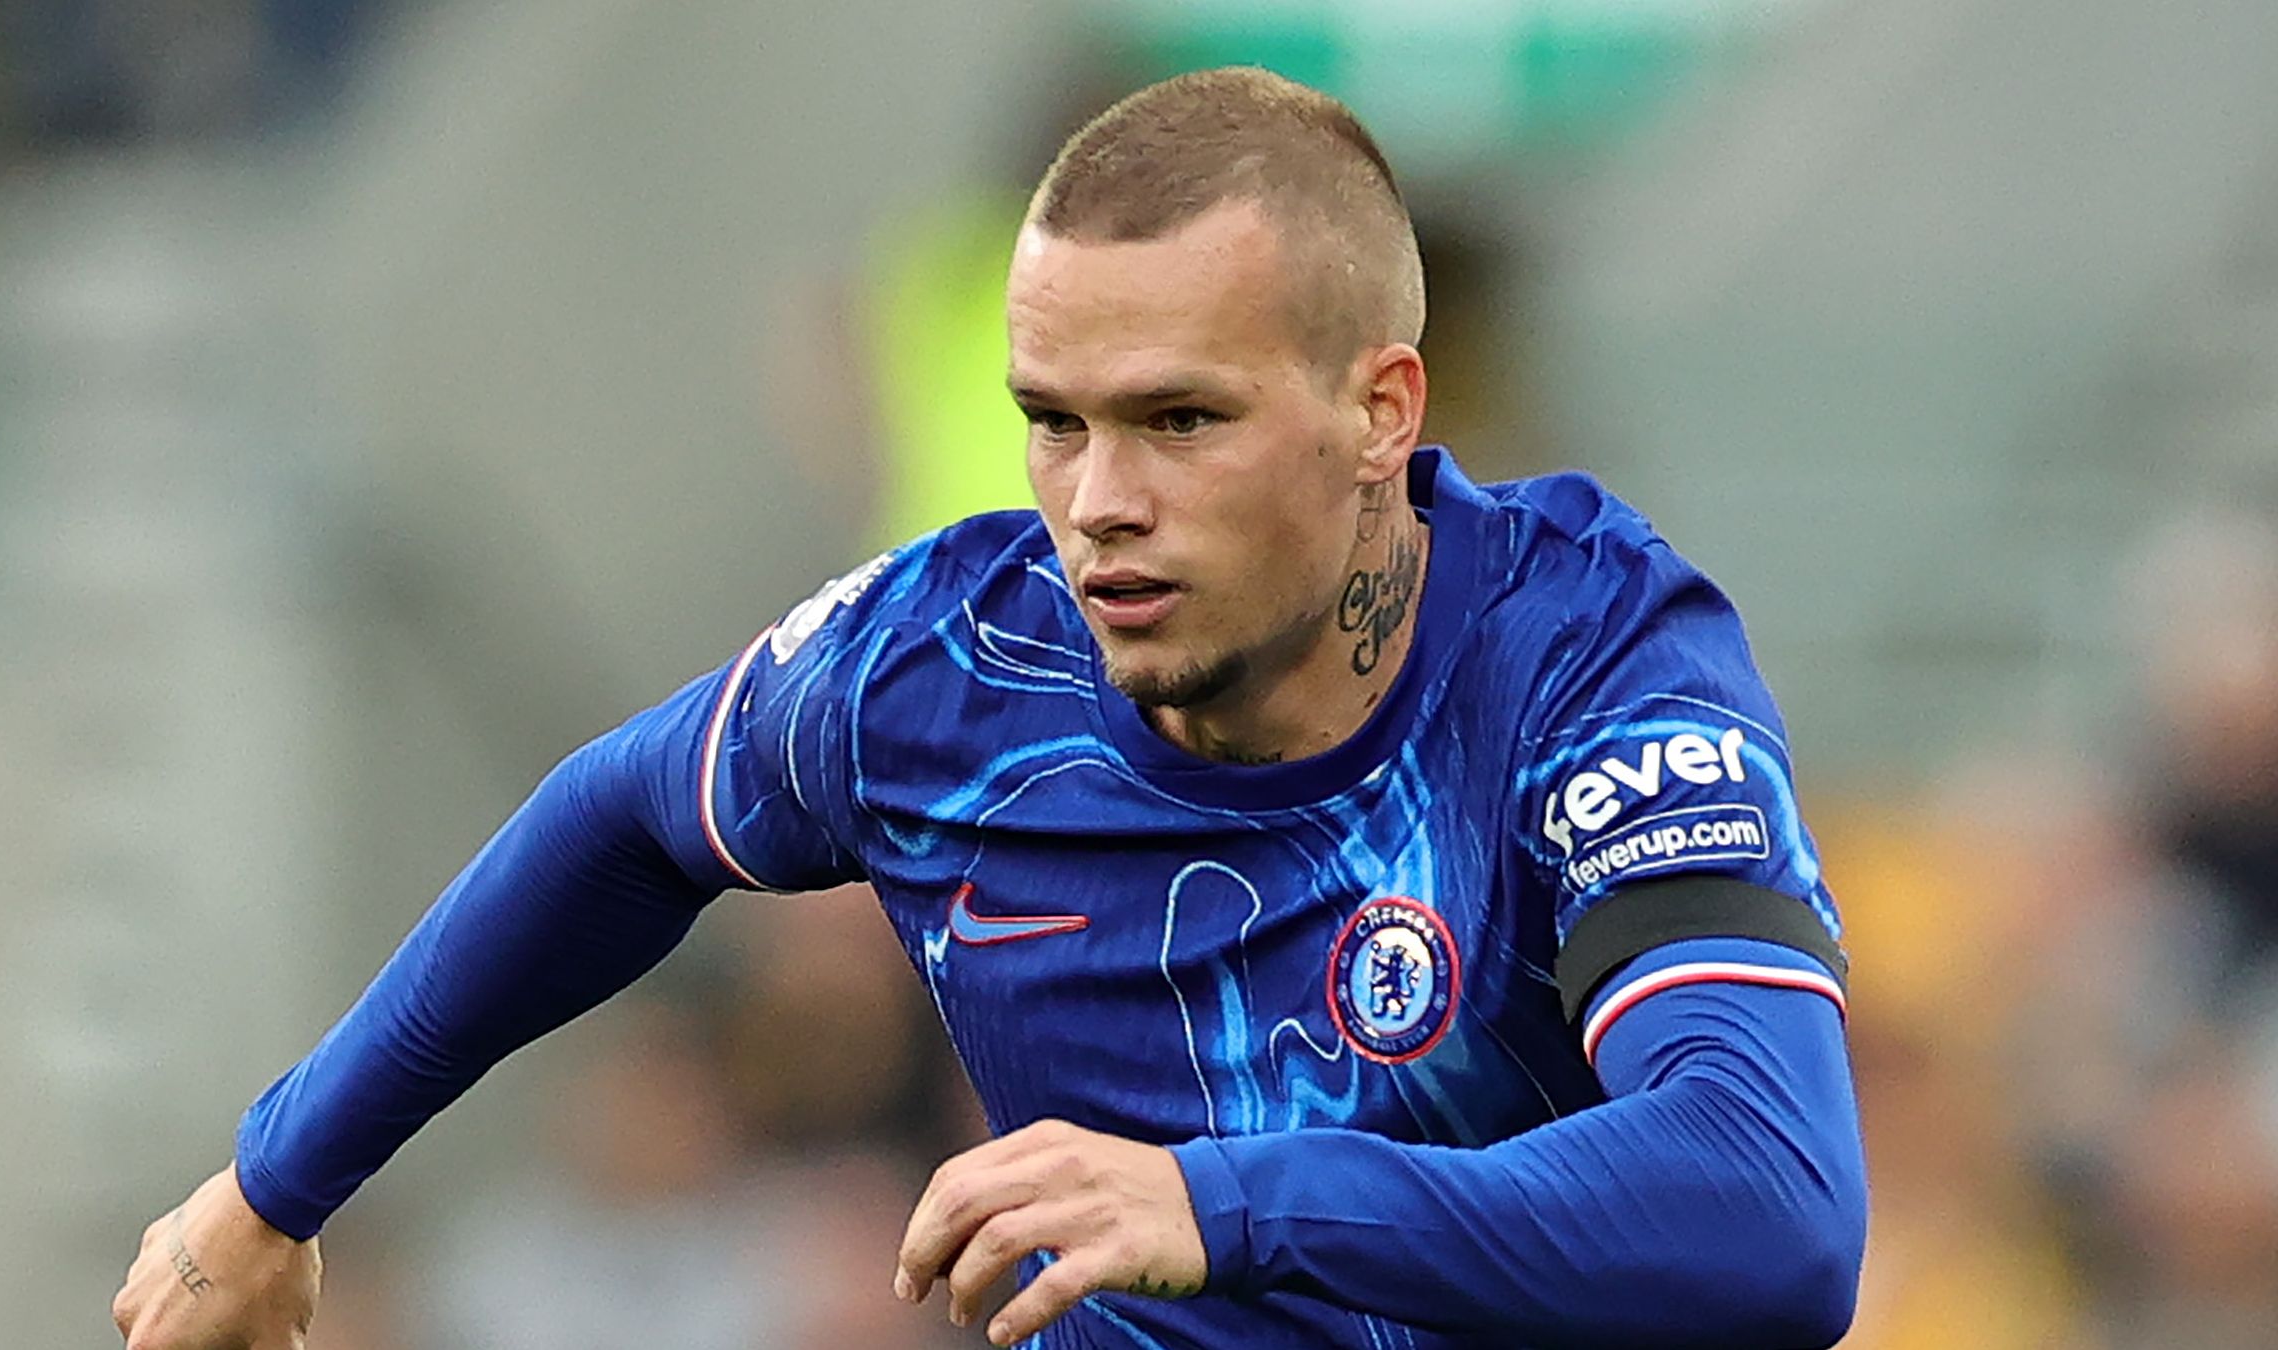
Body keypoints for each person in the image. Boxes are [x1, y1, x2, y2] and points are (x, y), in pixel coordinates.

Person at [112, 67, 1865, 1350]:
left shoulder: (1583, 657)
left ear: (1381, 411)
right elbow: (623, 818)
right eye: (1054, 420)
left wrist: (1215, 1200)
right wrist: (273, 1187)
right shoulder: (946, 665)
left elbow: (1773, 1205)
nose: (1099, 501)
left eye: (1180, 420)